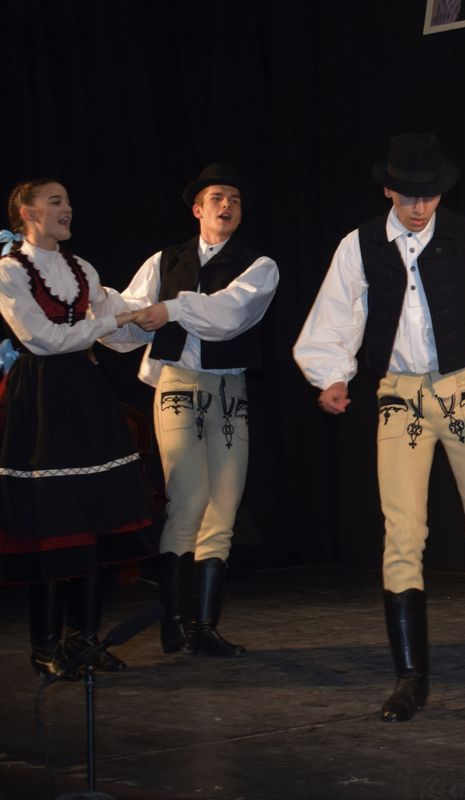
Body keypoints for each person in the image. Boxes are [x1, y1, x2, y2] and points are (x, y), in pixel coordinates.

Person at [293, 133, 465, 722]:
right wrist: (331, 376)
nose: (419, 207)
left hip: (464, 386)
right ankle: (411, 678)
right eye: (408, 195)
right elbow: (335, 313)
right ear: (388, 190)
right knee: (403, 533)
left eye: (429, 195)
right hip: (399, 393)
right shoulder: (359, 245)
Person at [104, 164, 279, 658]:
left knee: (223, 505)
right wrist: (108, 313)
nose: (227, 206)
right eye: (218, 198)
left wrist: (173, 309)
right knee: (187, 498)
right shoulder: (164, 261)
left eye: (235, 200)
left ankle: (202, 625)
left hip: (228, 388)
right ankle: (173, 621)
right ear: (198, 209)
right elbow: (129, 319)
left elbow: (230, 314)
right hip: (179, 384)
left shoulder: (258, 265)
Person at [0, 179, 153, 679]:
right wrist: (108, 323)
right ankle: (45, 645)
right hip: (41, 398)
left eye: (67, 200)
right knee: (53, 520)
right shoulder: (9, 270)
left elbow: (113, 325)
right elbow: (41, 339)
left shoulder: (82, 268)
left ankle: (83, 640)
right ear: (28, 212)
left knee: (94, 514)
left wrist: (148, 317)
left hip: (86, 394)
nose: (67, 208)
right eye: (55, 201)